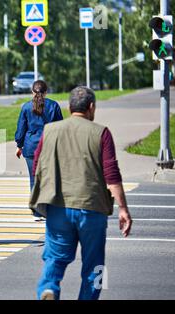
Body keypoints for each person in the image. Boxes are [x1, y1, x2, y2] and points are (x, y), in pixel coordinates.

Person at [29, 86, 133, 300]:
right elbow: (111, 172)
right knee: (95, 264)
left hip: (58, 206)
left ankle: (48, 288)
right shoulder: (101, 132)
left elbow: (37, 165)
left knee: (55, 258)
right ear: (92, 107)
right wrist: (123, 208)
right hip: (92, 209)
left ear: (69, 107)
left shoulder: (50, 131)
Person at [15, 80, 63, 221]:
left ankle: (36, 212)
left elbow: (20, 130)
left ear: (32, 92)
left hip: (30, 148)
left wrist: (19, 145)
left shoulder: (26, 107)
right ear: (46, 91)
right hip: (49, 147)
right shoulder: (54, 106)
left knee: (33, 179)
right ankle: (48, 210)